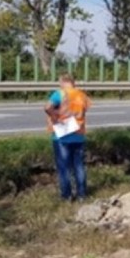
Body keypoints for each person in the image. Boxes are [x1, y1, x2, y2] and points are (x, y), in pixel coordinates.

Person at [44, 73, 91, 201]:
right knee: (79, 166)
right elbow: (84, 110)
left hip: (62, 135)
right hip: (79, 135)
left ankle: (67, 196)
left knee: (63, 167)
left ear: (62, 81)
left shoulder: (60, 93)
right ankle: (82, 195)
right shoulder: (82, 95)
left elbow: (47, 107)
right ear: (73, 82)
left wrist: (55, 116)